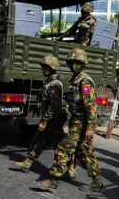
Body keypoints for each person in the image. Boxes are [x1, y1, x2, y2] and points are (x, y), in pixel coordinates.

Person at [35, 48, 103, 193]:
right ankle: (97, 182)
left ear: (83, 64)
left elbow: (91, 106)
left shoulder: (84, 82)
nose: (73, 65)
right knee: (84, 153)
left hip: (82, 123)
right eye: (71, 63)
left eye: (76, 63)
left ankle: (53, 180)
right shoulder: (75, 80)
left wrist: (90, 127)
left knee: (62, 149)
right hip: (76, 121)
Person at [11, 55, 76, 179]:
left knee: (61, 147)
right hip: (48, 121)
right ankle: (27, 162)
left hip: (53, 122)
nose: (44, 69)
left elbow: (53, 106)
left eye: (46, 67)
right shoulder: (48, 82)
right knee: (36, 141)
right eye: (44, 67)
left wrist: (44, 122)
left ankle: (71, 169)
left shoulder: (55, 85)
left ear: (52, 68)